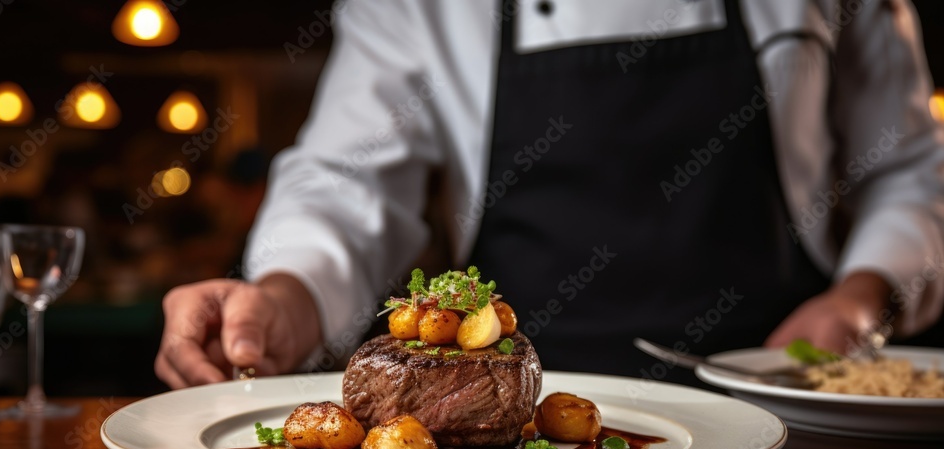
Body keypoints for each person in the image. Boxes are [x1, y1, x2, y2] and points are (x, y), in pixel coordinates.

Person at [155, 0, 944, 389]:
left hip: (782, 390)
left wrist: (862, 301)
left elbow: (910, 166)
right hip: (519, 434)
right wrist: (283, 299)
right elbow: (345, 179)